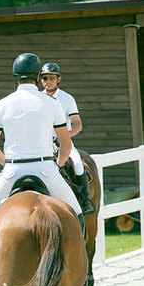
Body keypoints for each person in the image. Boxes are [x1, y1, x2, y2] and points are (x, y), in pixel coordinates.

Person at [0, 53, 84, 286]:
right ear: (38, 77)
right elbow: (66, 145)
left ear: (15, 78)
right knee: (77, 214)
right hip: (45, 166)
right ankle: (78, 264)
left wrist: (7, 164)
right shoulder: (52, 103)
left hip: (13, 169)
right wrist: (57, 165)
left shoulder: (2, 104)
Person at [40, 62, 96, 215]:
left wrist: (65, 135)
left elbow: (77, 124)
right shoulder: (37, 98)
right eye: (45, 78)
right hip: (41, 141)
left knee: (77, 163)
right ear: (40, 79)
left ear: (58, 79)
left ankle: (84, 200)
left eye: (52, 78)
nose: (48, 81)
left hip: (62, 140)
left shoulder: (67, 98)